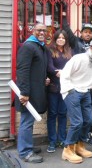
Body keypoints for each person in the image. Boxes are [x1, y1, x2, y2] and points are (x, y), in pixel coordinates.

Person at [61, 7, 92, 146]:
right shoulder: (75, 42)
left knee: (91, 108)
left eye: (90, 32)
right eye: (85, 32)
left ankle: (89, 133)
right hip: (76, 84)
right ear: (81, 33)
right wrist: (64, 14)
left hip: (90, 84)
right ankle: (74, 139)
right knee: (77, 116)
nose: (88, 34)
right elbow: (67, 30)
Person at [60, 39, 92, 164]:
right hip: (72, 91)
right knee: (77, 122)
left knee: (88, 120)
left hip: (85, 91)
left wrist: (89, 88)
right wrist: (70, 90)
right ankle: (67, 149)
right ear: (91, 48)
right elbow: (65, 74)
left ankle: (79, 146)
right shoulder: (79, 58)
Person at [16, 23, 48, 163]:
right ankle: (25, 152)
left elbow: (36, 69)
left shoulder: (39, 47)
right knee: (26, 122)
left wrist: (44, 79)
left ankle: (27, 146)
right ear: (32, 31)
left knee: (29, 121)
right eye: (39, 30)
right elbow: (22, 70)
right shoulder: (28, 46)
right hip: (28, 92)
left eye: (44, 31)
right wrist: (24, 92)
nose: (42, 32)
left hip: (35, 91)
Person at [46, 30, 73, 153]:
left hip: (65, 88)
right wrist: (58, 72)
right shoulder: (50, 50)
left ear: (66, 40)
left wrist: (65, 74)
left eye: (63, 38)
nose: (61, 39)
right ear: (55, 38)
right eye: (59, 37)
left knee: (63, 114)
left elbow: (72, 66)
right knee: (52, 114)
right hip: (53, 87)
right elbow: (49, 66)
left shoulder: (69, 51)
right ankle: (52, 141)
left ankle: (61, 139)